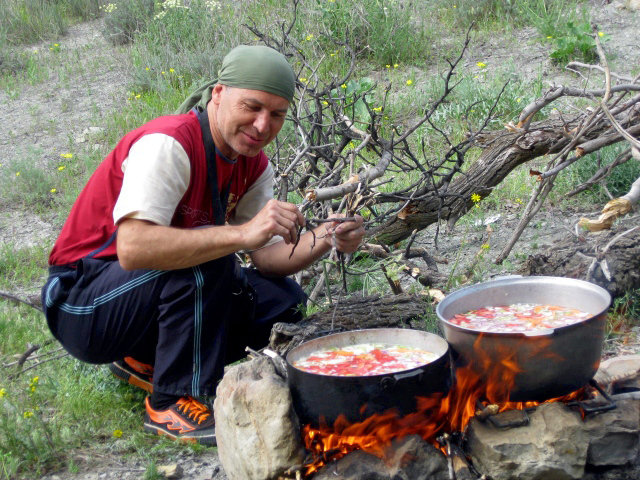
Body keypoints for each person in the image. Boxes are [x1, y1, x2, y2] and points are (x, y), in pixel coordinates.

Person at [41, 45, 365, 446]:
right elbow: (133, 249)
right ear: (218, 94)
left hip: (137, 296)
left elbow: (267, 259)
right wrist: (242, 236)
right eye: (252, 106)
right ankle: (173, 400)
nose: (263, 125)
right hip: (81, 303)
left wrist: (328, 236)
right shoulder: (170, 143)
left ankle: (146, 360)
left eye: (277, 114)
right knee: (208, 263)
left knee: (283, 299)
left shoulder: (252, 163)